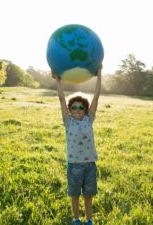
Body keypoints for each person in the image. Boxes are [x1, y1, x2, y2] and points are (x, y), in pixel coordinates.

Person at [54, 65, 102, 225]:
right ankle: (76, 220)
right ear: (69, 109)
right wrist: (58, 81)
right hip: (74, 166)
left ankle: (89, 220)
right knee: (74, 195)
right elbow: (61, 98)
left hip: (89, 165)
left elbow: (96, 97)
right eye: (74, 107)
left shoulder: (89, 119)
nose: (77, 109)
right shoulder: (68, 121)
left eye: (81, 107)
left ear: (86, 109)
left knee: (88, 195)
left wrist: (99, 75)